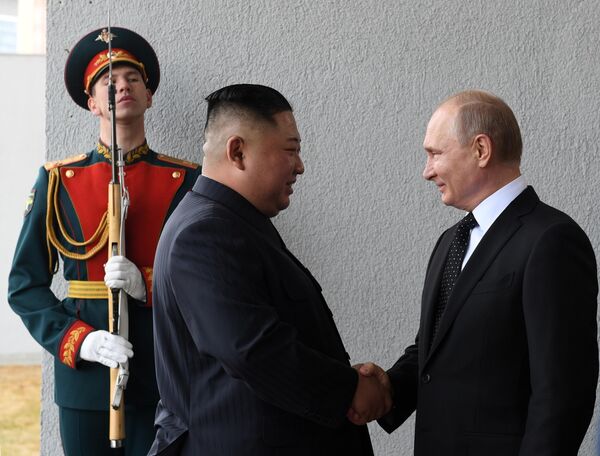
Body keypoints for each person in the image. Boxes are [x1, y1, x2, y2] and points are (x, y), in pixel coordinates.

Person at [351, 90, 598, 455]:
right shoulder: (451, 241)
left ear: (481, 149)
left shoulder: (551, 240)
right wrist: (388, 388)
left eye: (435, 153)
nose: (427, 171)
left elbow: (563, 394)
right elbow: (433, 350)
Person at [149, 83, 387, 455]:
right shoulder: (205, 233)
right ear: (238, 151)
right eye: (290, 150)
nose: (300, 167)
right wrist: (349, 389)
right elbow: (252, 349)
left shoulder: (233, 222)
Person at [8, 27, 200, 455]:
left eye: (132, 78)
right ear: (92, 103)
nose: (122, 86)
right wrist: (80, 339)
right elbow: (24, 286)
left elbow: (207, 279)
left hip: (162, 372)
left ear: (149, 95)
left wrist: (147, 284)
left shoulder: (187, 181)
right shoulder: (59, 180)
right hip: (84, 380)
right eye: (107, 82)